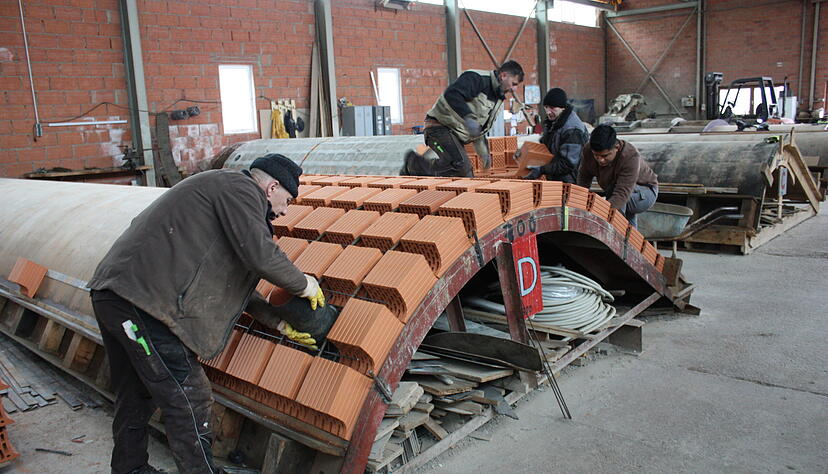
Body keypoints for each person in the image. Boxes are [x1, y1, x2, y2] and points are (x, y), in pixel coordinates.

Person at [88, 154, 336, 474]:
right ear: (272, 186)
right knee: (190, 397)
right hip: (144, 306)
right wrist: (305, 285)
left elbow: (237, 282)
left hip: (117, 297)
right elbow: (260, 254)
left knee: (135, 393)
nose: (285, 210)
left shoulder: (221, 195)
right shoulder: (240, 188)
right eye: (287, 199)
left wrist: (277, 322)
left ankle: (130, 468)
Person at [401, 60, 525, 177]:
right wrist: (468, 118)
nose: (514, 89)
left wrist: (484, 153)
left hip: (454, 135)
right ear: (503, 75)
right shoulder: (477, 79)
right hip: (438, 128)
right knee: (460, 166)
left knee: (467, 174)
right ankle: (414, 164)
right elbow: (452, 94)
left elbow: (478, 129)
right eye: (514, 84)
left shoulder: (497, 98)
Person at [577, 125, 658, 227]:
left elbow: (621, 194)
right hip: (621, 191)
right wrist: (579, 200)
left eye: (605, 156)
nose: (600, 160)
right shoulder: (588, 150)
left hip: (645, 193)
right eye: (596, 156)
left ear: (617, 147)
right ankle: (629, 240)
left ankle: (615, 235)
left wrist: (599, 218)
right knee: (628, 226)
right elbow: (584, 177)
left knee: (615, 199)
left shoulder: (630, 156)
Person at [523, 88, 589, 182]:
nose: (548, 112)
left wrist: (542, 169)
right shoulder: (553, 123)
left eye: (553, 108)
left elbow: (568, 164)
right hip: (556, 179)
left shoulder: (572, 130)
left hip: (571, 182)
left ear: (562, 108)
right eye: (546, 107)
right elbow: (546, 146)